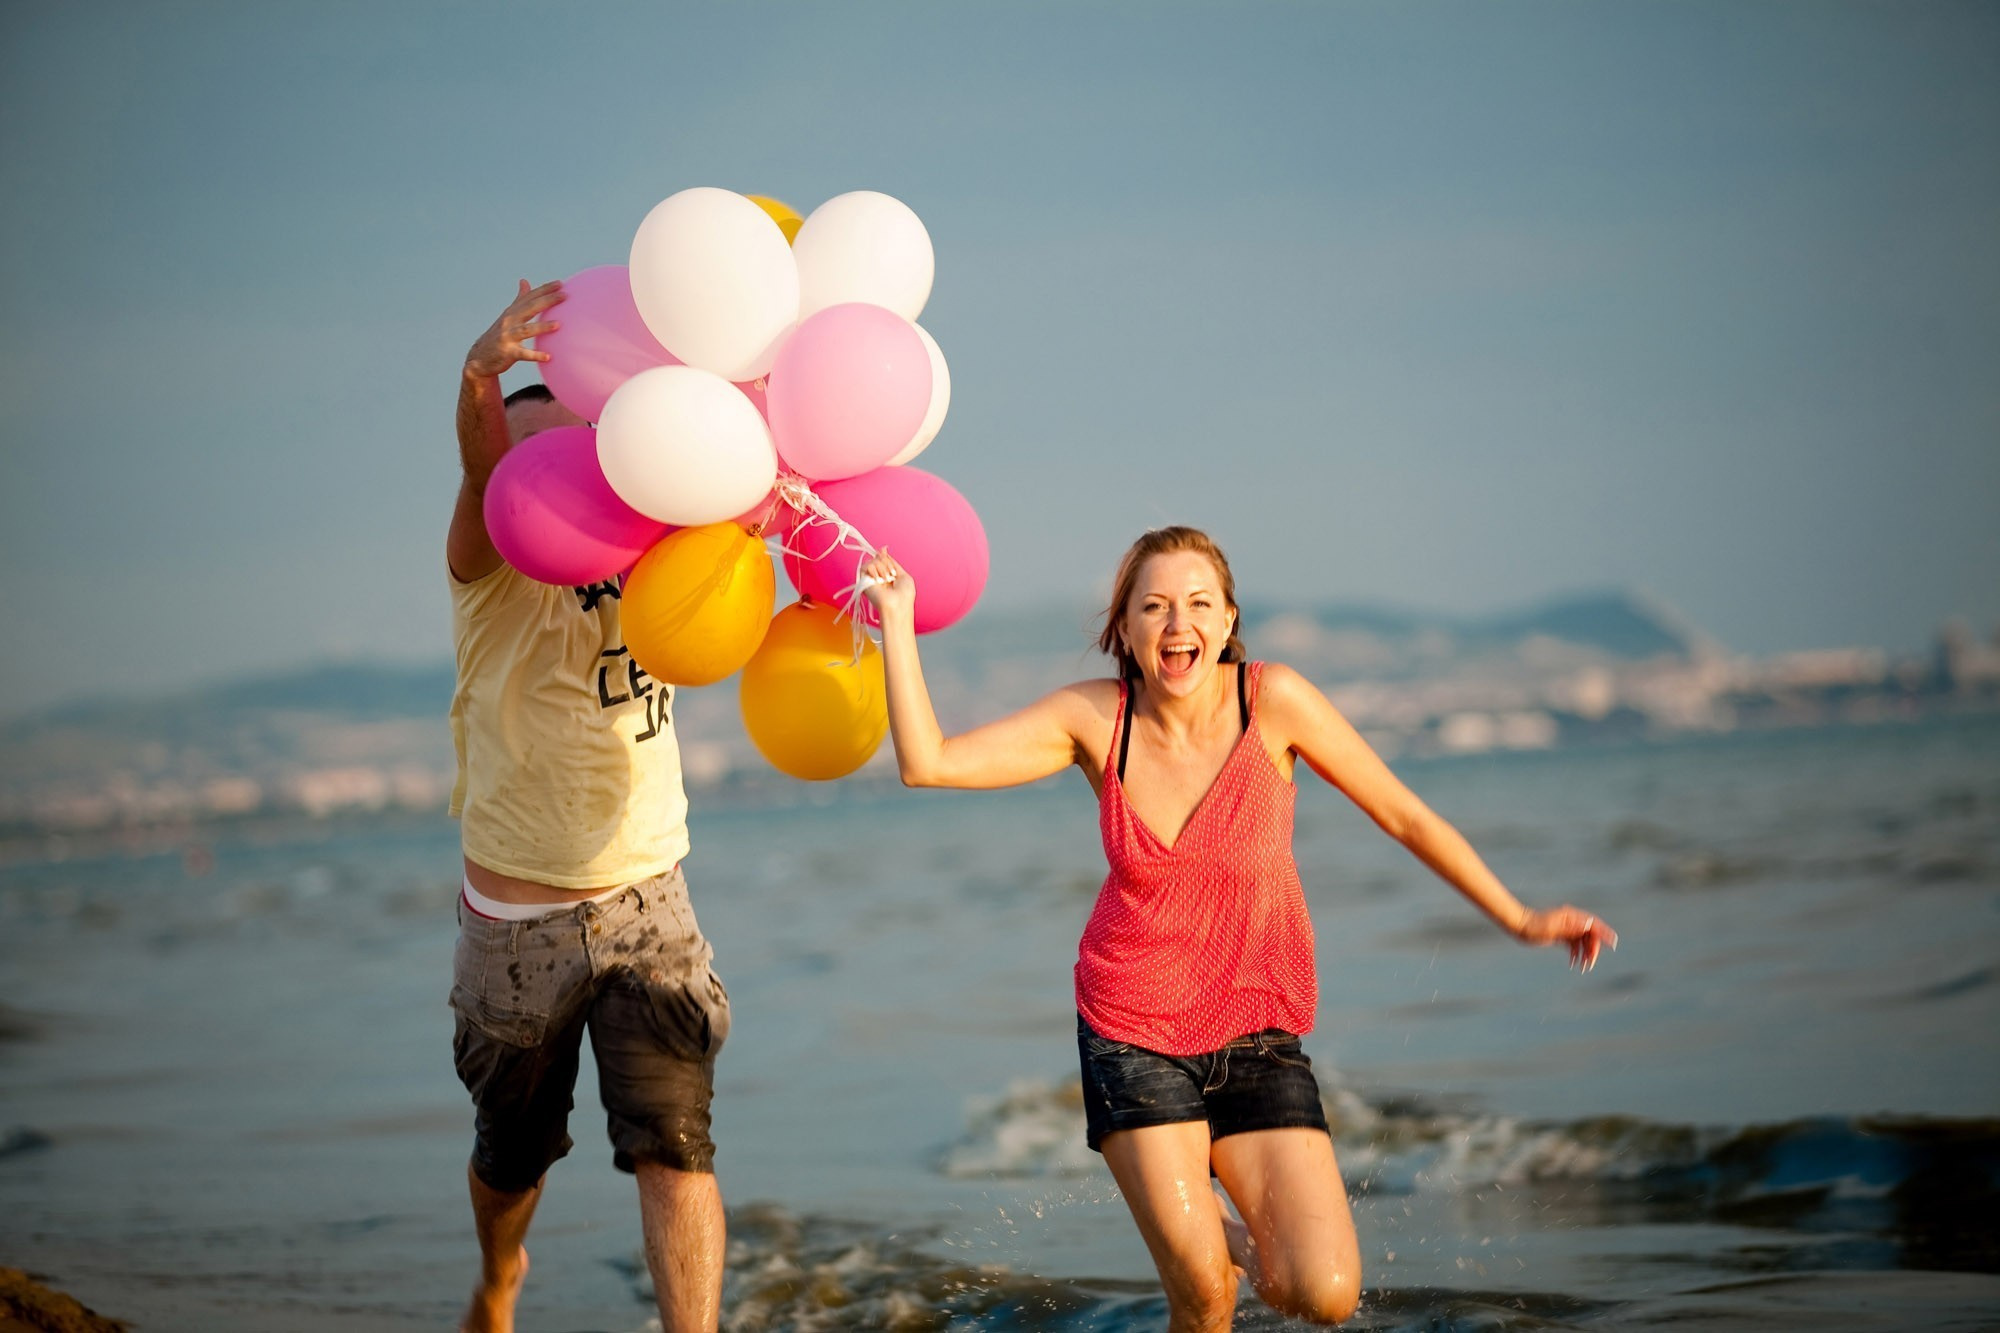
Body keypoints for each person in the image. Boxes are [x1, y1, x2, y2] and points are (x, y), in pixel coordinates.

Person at [858, 526, 1616, 1331]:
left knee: (1320, 1291)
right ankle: (1190, 1226)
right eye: (1153, 606)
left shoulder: (1273, 702)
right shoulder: (1095, 718)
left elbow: (1404, 814)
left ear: (1226, 621)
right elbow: (928, 761)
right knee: (1205, 1293)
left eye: (1197, 603)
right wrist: (897, 620)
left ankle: (1202, 1219)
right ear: (1125, 629)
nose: (1176, 622)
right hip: (1132, 1029)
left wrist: (1519, 916)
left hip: (1257, 1034)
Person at [447, 279, 731, 1333]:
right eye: (532, 450)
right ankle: (500, 1274)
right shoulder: (487, 566)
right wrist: (480, 377)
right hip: (516, 919)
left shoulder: (660, 554)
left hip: (647, 893)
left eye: (582, 442)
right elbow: (482, 471)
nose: (562, 466)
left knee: (675, 1140)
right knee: (511, 1153)